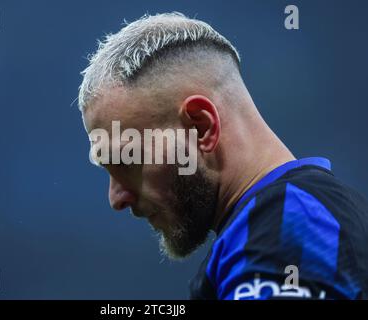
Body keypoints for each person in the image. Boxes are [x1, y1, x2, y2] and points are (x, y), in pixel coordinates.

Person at [77, 12, 368, 299]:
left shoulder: (289, 228)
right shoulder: (294, 222)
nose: (116, 198)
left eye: (128, 159)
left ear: (201, 127)